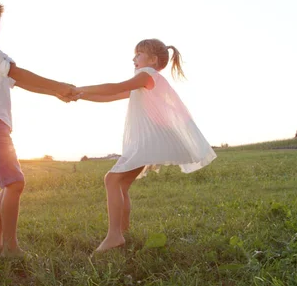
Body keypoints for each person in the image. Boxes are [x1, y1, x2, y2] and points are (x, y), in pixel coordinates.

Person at [0, 0, 79, 258]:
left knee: (9, 185)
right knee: (15, 183)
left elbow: (18, 80)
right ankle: (10, 248)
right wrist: (58, 85)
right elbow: (16, 72)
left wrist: (54, 92)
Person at [77, 38, 217, 252]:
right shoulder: (146, 81)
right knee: (120, 184)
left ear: (152, 59)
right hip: (150, 140)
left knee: (112, 180)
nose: (134, 58)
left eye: (138, 54)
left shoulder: (147, 75)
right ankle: (122, 231)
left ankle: (115, 235)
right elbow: (113, 95)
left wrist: (78, 88)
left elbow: (116, 87)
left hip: (148, 140)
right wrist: (80, 96)